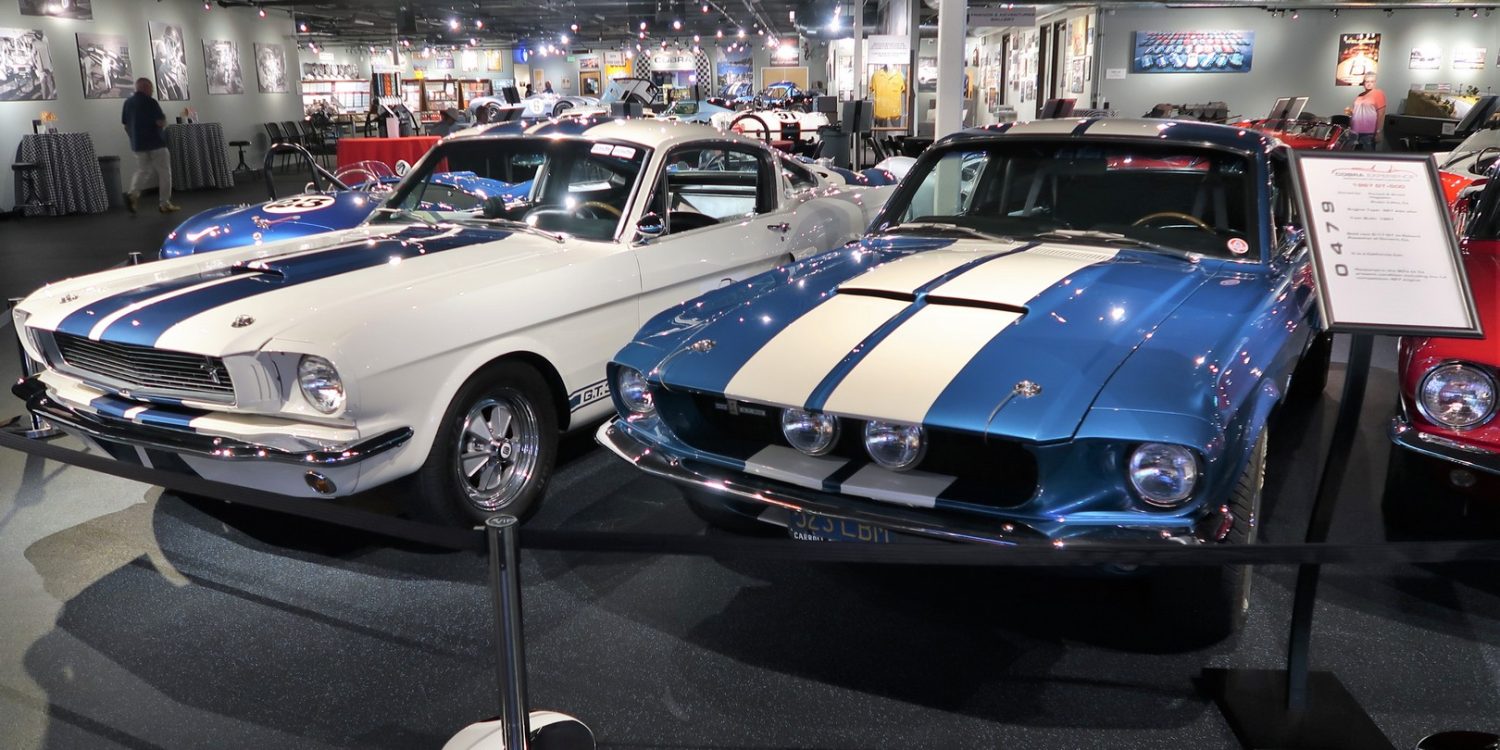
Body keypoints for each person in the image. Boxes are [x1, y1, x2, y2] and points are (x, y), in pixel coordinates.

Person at [121, 77, 179, 214]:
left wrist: (134, 138)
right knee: (164, 173)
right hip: (156, 142)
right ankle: (164, 203)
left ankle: (133, 194)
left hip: (138, 144)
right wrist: (164, 122)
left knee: (142, 171)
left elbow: (125, 125)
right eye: (151, 88)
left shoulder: (128, 103)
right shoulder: (151, 102)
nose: (152, 90)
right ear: (146, 87)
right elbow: (160, 122)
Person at [1348, 73, 1386, 151]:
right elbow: (1357, 111)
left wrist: (1378, 131)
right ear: (1363, 83)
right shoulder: (1360, 95)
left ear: (1375, 82)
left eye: (1371, 81)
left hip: (1368, 133)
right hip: (1354, 132)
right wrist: (1351, 112)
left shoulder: (1378, 93)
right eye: (1367, 81)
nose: (1369, 84)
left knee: (1366, 158)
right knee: (1353, 158)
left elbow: (1381, 114)